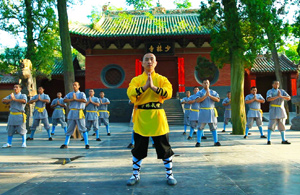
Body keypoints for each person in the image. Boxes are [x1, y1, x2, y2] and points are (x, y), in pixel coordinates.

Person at [126, 53, 177, 186]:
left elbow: (169, 92)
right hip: (141, 116)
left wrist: (153, 87)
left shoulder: (162, 79)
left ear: (156, 63)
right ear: (142, 63)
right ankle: (135, 175)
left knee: (165, 148)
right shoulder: (136, 80)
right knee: (138, 149)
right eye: (146, 59)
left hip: (158, 116)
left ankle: (170, 175)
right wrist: (144, 87)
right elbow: (130, 92)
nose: (149, 62)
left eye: (152, 59)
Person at [60, 82, 89, 149]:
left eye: (76, 85)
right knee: (70, 128)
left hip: (79, 112)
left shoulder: (81, 94)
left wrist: (76, 99)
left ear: (79, 86)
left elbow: (84, 100)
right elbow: (64, 100)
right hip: (72, 112)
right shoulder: (70, 94)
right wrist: (72, 99)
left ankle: (86, 143)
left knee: (83, 128)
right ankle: (66, 143)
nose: (74, 86)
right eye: (73, 85)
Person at [195, 79, 221, 147]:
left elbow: (218, 100)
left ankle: (216, 141)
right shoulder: (200, 92)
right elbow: (197, 100)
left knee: (214, 127)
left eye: (207, 83)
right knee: (200, 127)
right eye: (204, 83)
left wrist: (209, 95)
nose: (206, 84)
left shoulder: (213, 92)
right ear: (202, 84)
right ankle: (198, 141)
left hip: (211, 111)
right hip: (203, 111)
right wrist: (205, 96)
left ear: (209, 84)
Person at [266, 81, 291, 145]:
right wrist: (277, 96)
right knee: (271, 125)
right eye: (275, 84)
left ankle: (283, 139)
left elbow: (288, 98)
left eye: (278, 84)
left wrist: (281, 96)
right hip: (273, 109)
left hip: (281, 109)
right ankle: (269, 140)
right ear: (272, 84)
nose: (277, 85)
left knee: (282, 125)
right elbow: (268, 99)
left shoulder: (282, 91)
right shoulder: (270, 91)